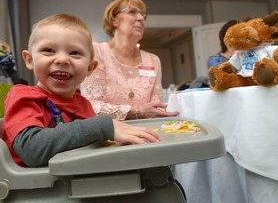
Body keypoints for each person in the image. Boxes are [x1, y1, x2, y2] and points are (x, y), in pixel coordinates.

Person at [2, 13, 160, 167]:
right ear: (30, 60)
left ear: (90, 68)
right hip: (43, 190)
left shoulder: (83, 103)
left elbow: (89, 147)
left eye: (75, 53)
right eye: (49, 50)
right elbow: (31, 150)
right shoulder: (23, 96)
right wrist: (102, 126)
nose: (62, 59)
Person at [81, 0, 178, 120]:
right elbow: (92, 107)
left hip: (147, 132)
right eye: (132, 12)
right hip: (110, 134)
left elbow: (156, 108)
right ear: (114, 20)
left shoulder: (153, 60)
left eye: (143, 15)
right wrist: (138, 111)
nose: (141, 18)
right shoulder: (97, 52)